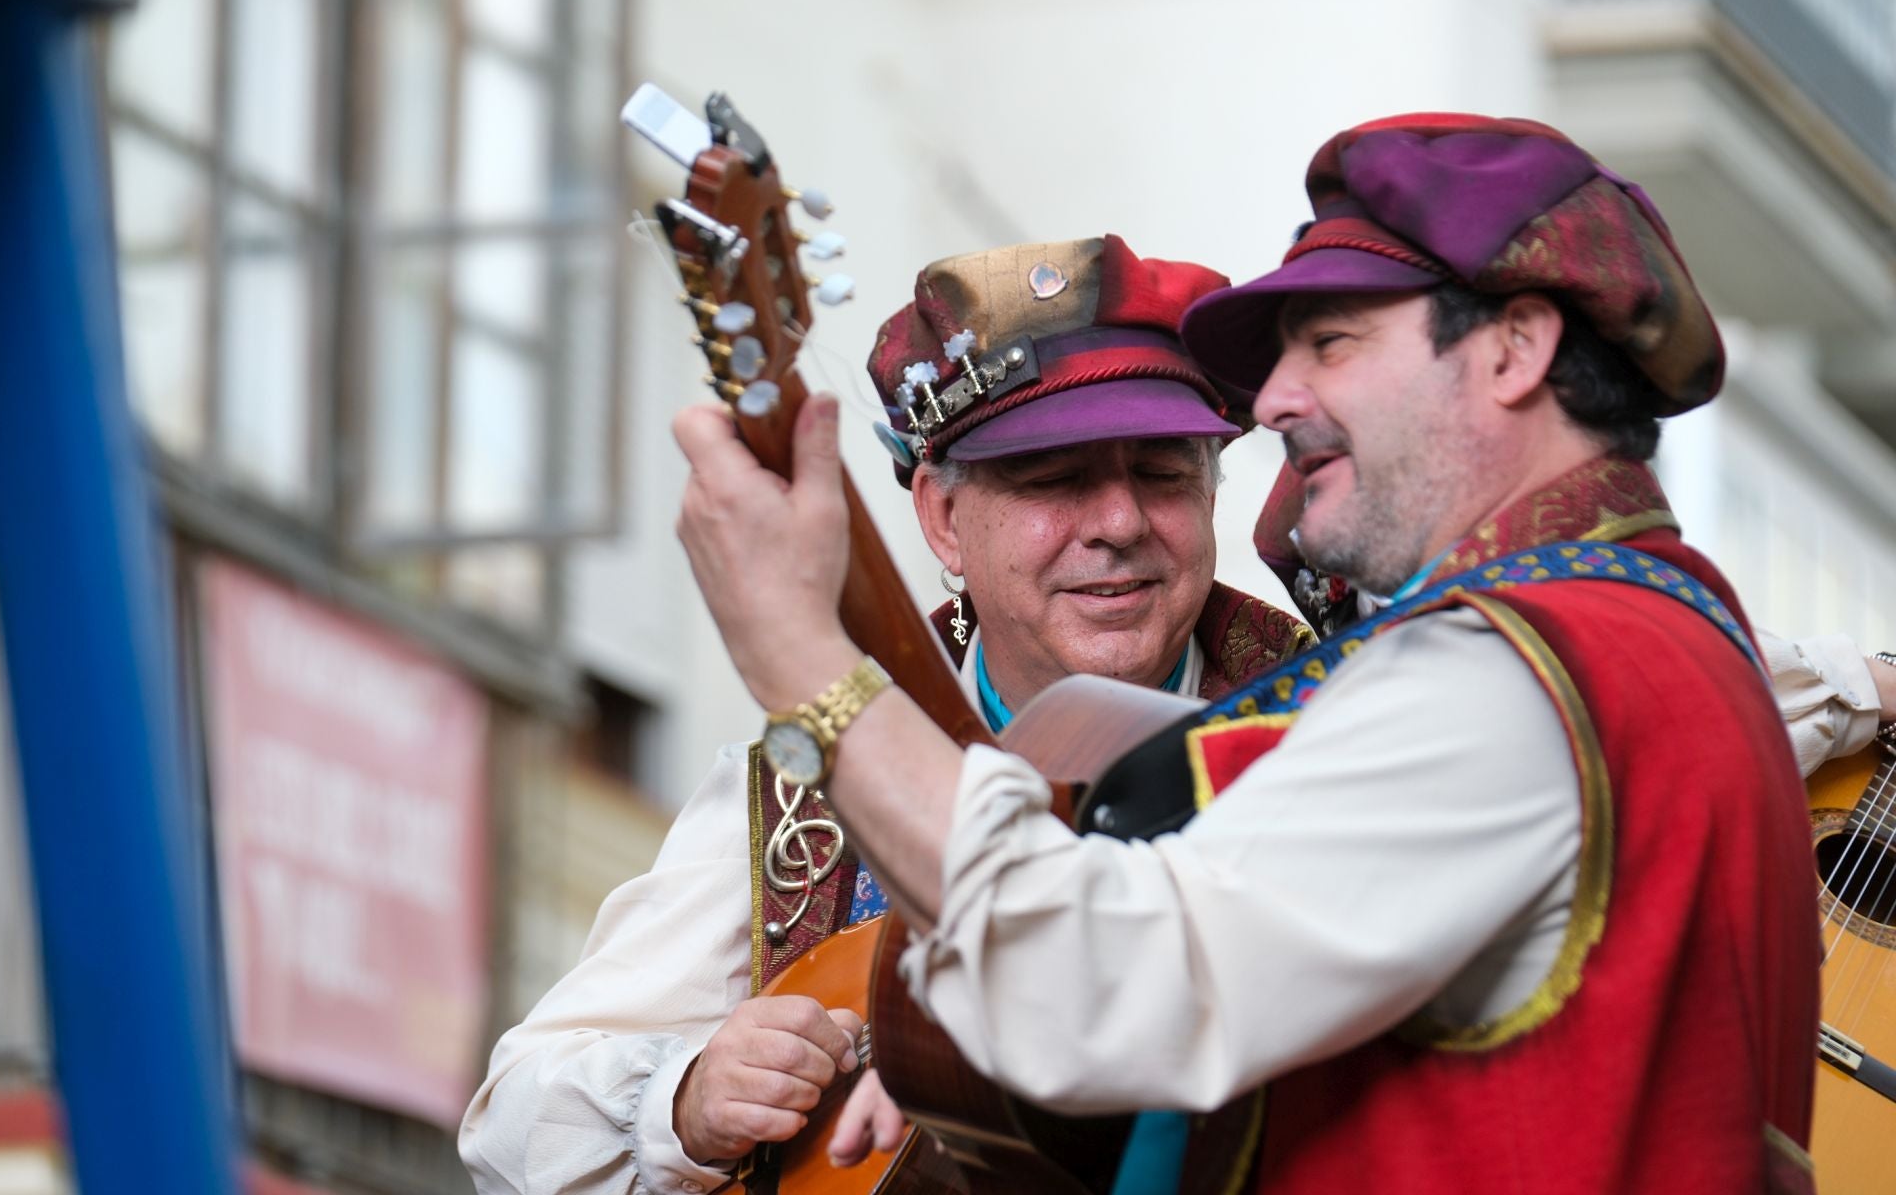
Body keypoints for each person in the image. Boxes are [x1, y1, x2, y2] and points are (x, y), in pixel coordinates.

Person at [666, 115, 1838, 1193]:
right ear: (939, 515)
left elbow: (1103, 989)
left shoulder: (1509, 670)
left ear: (1514, 348)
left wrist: (804, 663)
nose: (1273, 398)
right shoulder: (1651, 631)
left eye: (1331, 341)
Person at [459, 235, 1313, 1195]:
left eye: (1162, 473)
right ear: (944, 519)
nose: (1118, 523)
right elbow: (509, 1125)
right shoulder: (801, 774)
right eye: (1055, 480)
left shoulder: (1326, 719)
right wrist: (689, 1102)